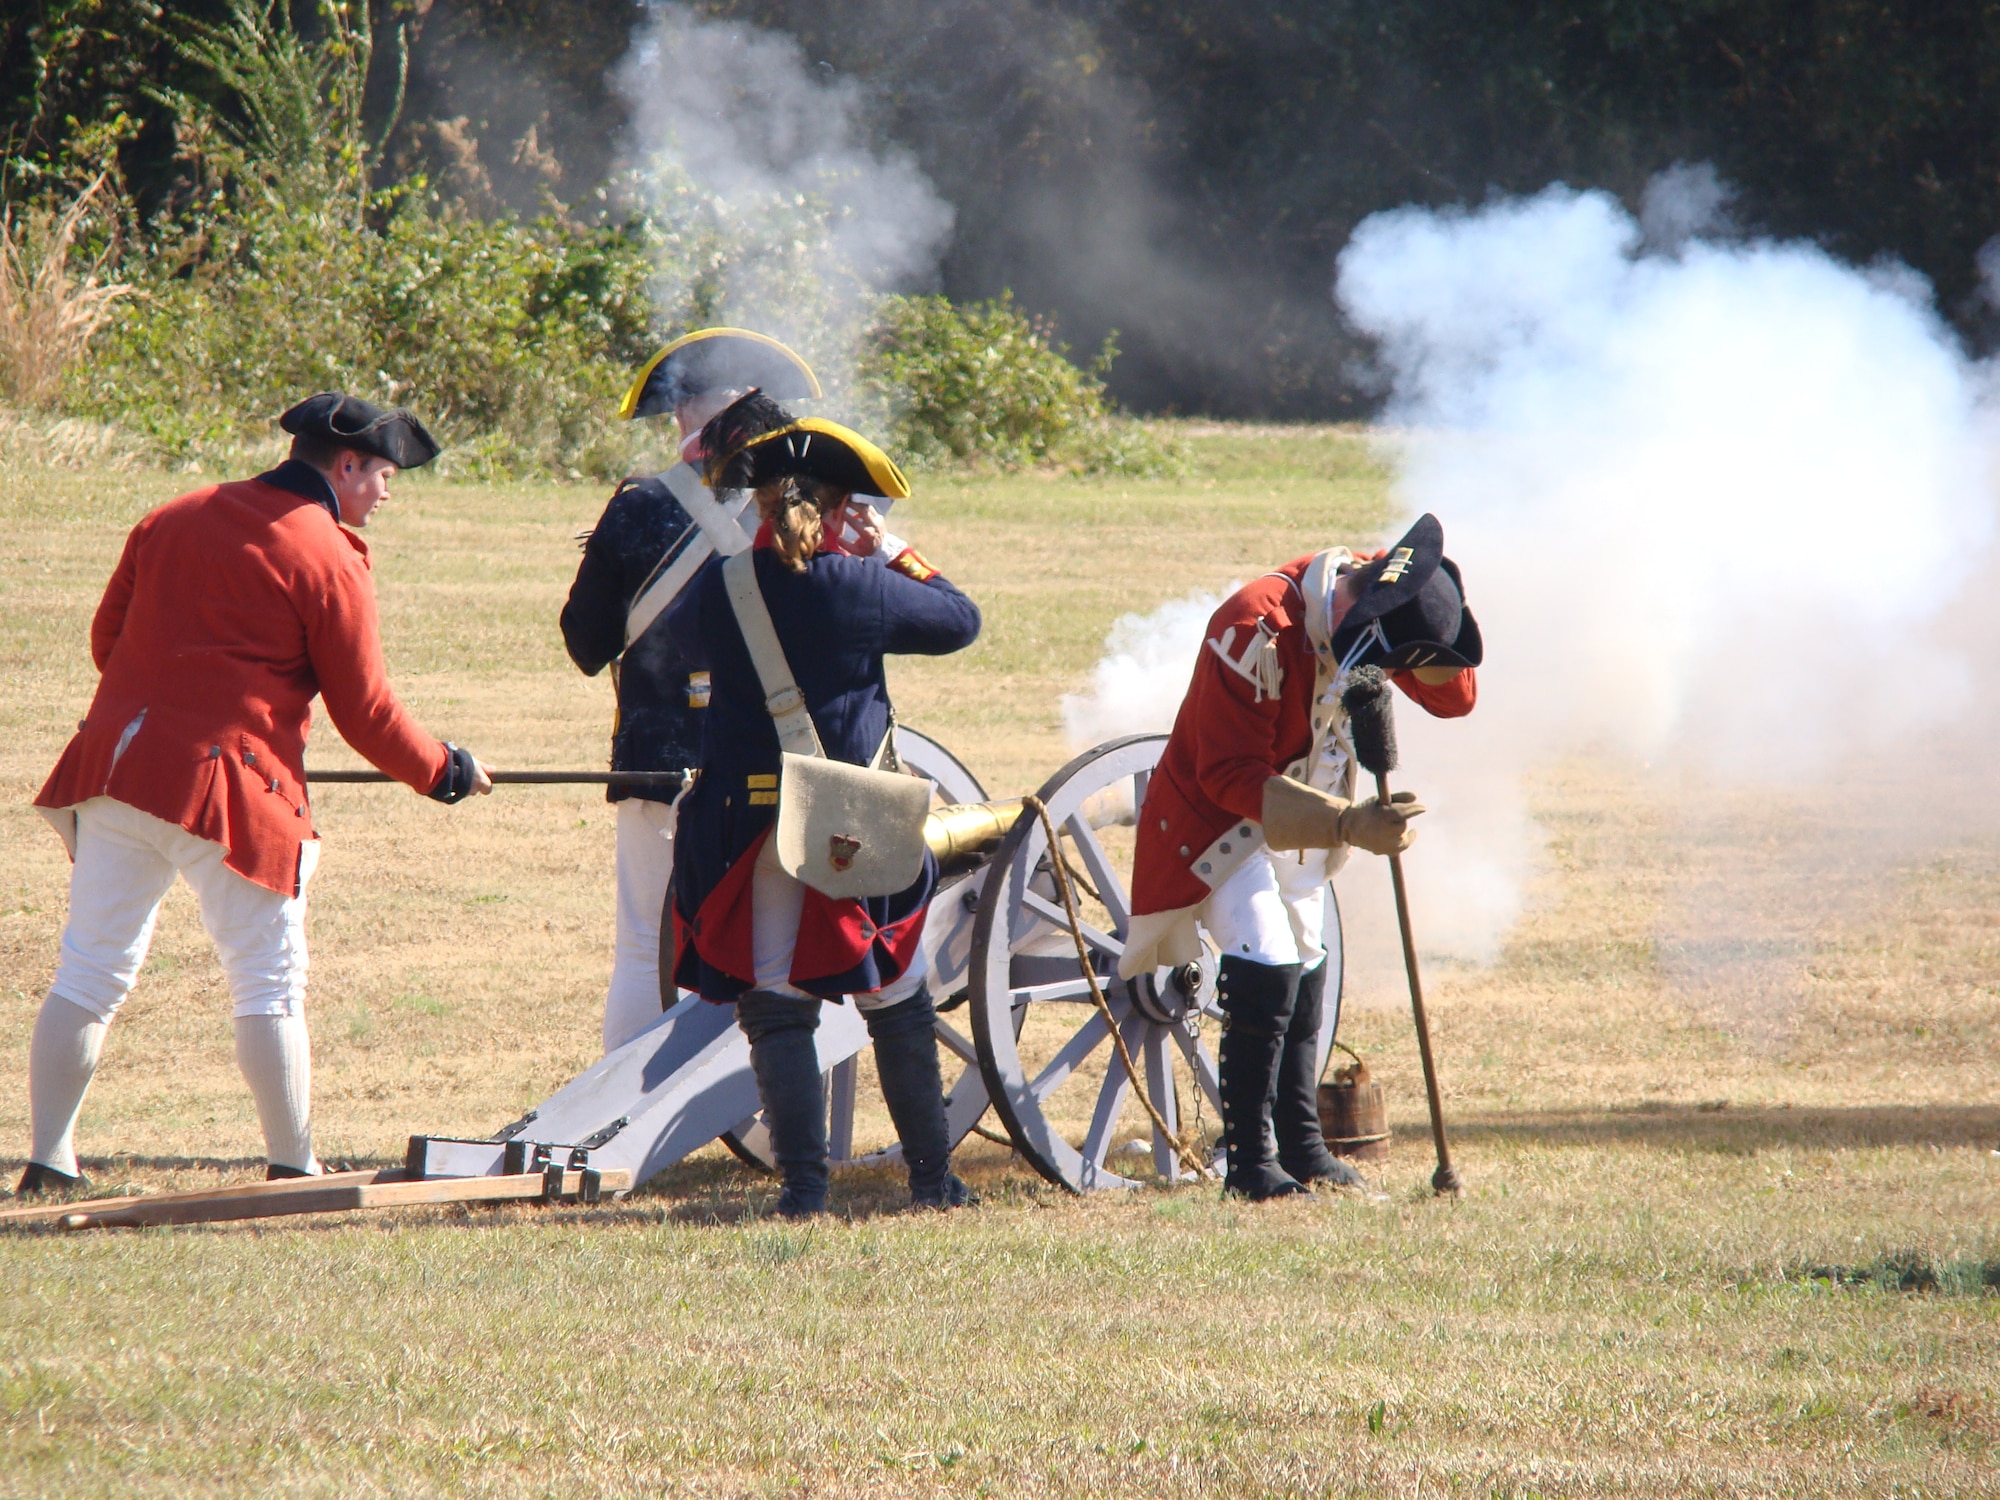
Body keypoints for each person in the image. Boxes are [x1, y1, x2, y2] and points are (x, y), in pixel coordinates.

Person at [17, 393, 494, 1196]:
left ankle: (49, 1160)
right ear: (344, 465)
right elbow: (367, 713)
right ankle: (292, 1162)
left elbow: (109, 643)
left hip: (114, 770)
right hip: (226, 794)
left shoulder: (171, 515)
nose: (387, 492)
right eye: (382, 475)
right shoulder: (328, 553)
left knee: (89, 971)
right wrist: (445, 769)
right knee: (269, 979)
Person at [667, 417, 981, 1216]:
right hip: (848, 821)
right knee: (896, 998)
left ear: (764, 503)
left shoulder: (725, 583)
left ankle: (805, 1190)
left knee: (777, 1005)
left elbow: (683, 647)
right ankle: (931, 1181)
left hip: (751, 828)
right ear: (841, 508)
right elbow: (959, 619)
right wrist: (892, 550)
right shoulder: (861, 585)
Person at [1118, 513, 1482, 1200]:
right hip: (1222, 827)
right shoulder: (1252, 625)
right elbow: (1226, 774)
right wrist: (1349, 822)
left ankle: (1302, 1143)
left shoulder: (1390, 587)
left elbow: (1457, 698)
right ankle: (1252, 1163)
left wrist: (1426, 630)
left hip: (1304, 818)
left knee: (1309, 959)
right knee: (1270, 959)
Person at [562, 329, 821, 1053]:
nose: (679, 422)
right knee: (771, 942)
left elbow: (586, 646)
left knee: (645, 939)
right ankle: (772, 1130)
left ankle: (621, 1131)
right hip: (770, 761)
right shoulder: (803, 508)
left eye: (687, 406)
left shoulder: (638, 505)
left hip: (659, 751)